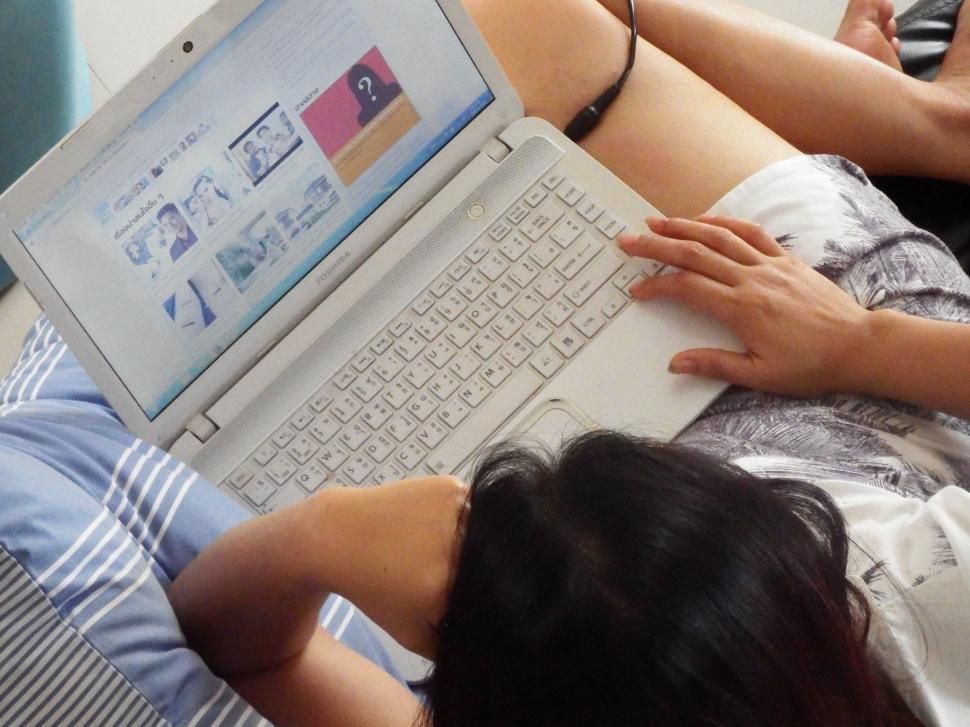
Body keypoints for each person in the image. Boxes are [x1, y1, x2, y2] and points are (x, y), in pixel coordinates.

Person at [4, 0, 970, 724]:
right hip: (869, 371)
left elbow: (250, 651)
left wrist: (323, 531)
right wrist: (860, 343)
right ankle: (939, 122)